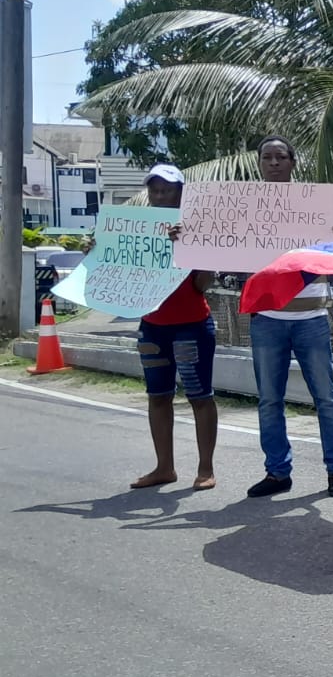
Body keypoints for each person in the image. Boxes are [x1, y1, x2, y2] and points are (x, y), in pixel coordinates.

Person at [245, 136, 333, 498]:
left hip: (311, 317)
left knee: (326, 398)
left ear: (293, 162)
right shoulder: (244, 209)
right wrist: (184, 239)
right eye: (267, 157)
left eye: (280, 157)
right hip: (267, 319)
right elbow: (215, 244)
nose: (273, 162)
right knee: (269, 400)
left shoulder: (314, 208)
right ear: (259, 163)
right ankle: (277, 472)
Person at [131, 164, 218, 491]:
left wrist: (196, 251)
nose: (159, 195)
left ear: (181, 193)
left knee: (200, 396)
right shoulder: (137, 231)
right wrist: (96, 253)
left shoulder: (196, 229)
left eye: (166, 189)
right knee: (158, 396)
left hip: (191, 326)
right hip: (152, 326)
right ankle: (163, 468)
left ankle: (205, 468)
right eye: (154, 190)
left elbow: (201, 285)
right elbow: (120, 269)